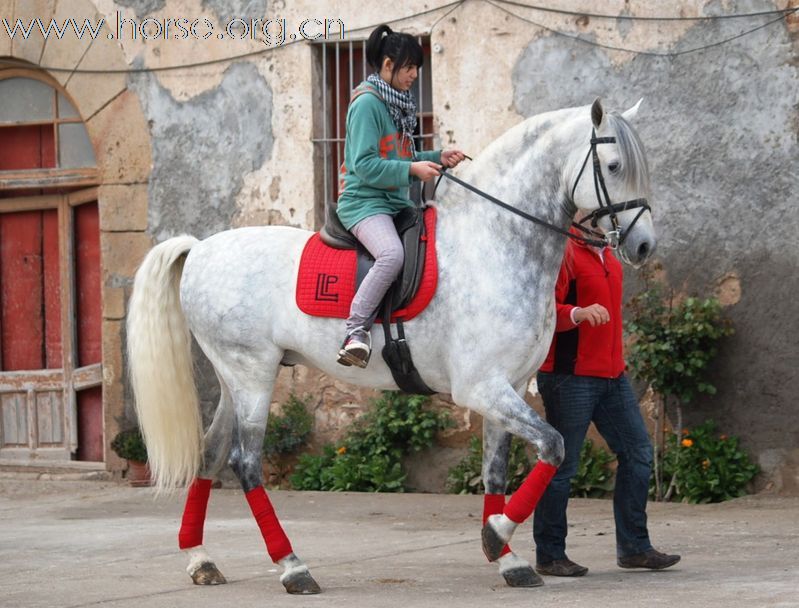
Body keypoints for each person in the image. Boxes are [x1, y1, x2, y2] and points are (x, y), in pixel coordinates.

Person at [532, 227, 681, 576]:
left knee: (638, 454)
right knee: (562, 466)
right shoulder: (563, 251)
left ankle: (634, 548)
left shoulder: (610, 255)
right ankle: (550, 555)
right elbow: (540, 310)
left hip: (613, 377)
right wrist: (577, 314)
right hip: (569, 377)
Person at [335, 24, 465, 368]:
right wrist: (412, 171)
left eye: (417, 69)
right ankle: (355, 332)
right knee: (391, 255)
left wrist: (437, 157)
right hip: (364, 203)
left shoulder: (398, 104)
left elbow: (403, 155)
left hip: (395, 202)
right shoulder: (367, 105)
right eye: (409, 68)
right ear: (388, 65)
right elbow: (363, 165)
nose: (414, 76)